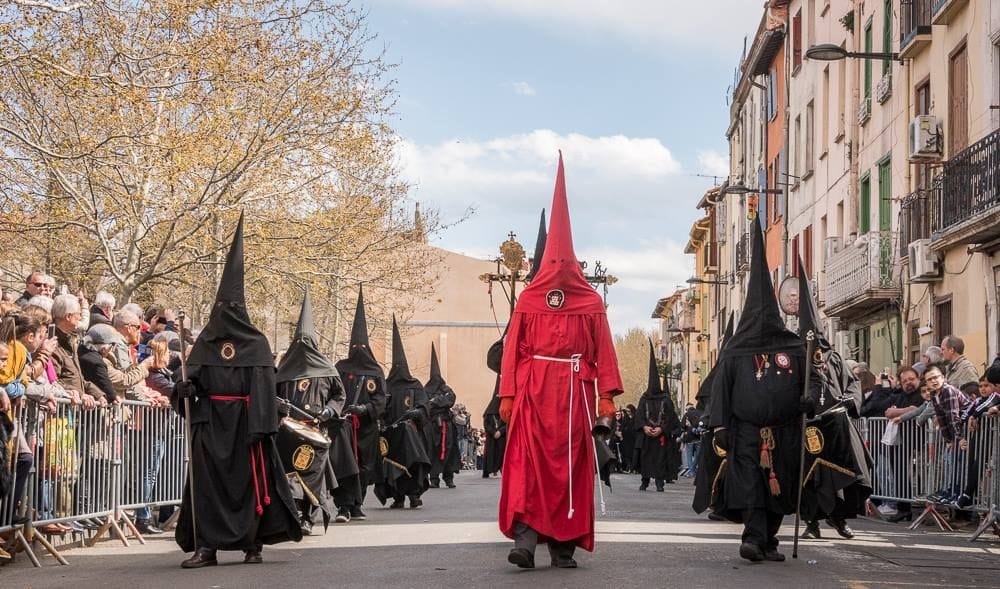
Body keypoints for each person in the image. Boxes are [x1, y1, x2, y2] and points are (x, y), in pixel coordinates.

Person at [498, 155, 622, 570]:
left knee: (569, 471)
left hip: (573, 396)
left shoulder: (590, 302)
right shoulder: (529, 300)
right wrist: (508, 395)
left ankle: (563, 546)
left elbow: (604, 350)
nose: (556, 270)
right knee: (527, 465)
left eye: (561, 262)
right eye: (551, 262)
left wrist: (606, 396)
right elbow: (512, 350)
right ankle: (526, 540)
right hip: (534, 394)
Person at [173, 214, 301, 568]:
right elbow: (190, 383)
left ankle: (252, 543)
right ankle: (207, 547)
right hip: (211, 427)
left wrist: (260, 428)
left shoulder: (257, 345)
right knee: (207, 487)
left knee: (250, 486)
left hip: (246, 428)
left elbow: (263, 389)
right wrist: (182, 390)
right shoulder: (205, 343)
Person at [707, 220, 813, 563]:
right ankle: (752, 538)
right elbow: (721, 390)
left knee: (780, 485)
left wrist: (810, 400)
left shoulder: (795, 349)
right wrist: (720, 426)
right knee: (752, 484)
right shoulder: (736, 352)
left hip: (786, 432)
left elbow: (813, 382)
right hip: (746, 432)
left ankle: (770, 539)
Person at [794, 258, 871, 541]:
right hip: (811, 426)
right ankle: (812, 522)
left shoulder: (834, 358)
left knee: (846, 475)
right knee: (812, 479)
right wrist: (800, 404)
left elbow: (853, 385)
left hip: (838, 425)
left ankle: (840, 520)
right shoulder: (795, 360)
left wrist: (851, 402)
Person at [275, 290, 346, 531]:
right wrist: (279, 405)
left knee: (312, 475)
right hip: (289, 430)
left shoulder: (327, 369)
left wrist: (329, 411)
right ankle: (293, 513)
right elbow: (271, 395)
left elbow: (339, 395)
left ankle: (308, 516)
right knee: (290, 473)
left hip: (315, 430)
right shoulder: (284, 368)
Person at [332, 285, 386, 521]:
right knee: (344, 464)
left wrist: (364, 409)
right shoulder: (340, 368)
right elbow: (332, 392)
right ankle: (343, 505)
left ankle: (357, 503)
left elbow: (381, 398)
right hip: (344, 427)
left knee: (364, 466)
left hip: (366, 428)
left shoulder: (375, 371)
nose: (358, 350)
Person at [374, 316, 431, 509]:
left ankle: (414, 496)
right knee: (392, 466)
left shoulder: (415, 385)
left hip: (412, 434)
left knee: (413, 465)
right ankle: (398, 497)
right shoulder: (387, 386)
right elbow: (380, 407)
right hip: (392, 434)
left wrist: (417, 412)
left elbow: (425, 405)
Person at [634, 340, 681, 491]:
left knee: (660, 459)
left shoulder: (665, 400)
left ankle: (659, 483)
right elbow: (639, 415)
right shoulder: (644, 398)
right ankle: (645, 481)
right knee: (646, 458)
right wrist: (644, 426)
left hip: (661, 436)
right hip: (647, 436)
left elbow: (671, 417)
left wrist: (662, 428)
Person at [924, 365, 972, 506]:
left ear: (943, 377)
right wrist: (948, 440)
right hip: (956, 433)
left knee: (960, 463)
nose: (933, 381)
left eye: (936, 377)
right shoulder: (934, 395)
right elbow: (941, 418)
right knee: (949, 461)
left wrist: (959, 438)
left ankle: (958, 493)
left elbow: (953, 416)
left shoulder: (948, 391)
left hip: (966, 430)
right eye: (929, 379)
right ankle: (950, 491)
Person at [424, 344, 460, 489]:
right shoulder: (426, 390)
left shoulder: (446, 389)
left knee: (449, 450)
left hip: (446, 426)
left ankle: (448, 477)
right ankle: (434, 478)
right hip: (432, 426)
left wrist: (437, 401)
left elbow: (450, 399)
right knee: (433, 451)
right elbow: (426, 404)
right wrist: (438, 402)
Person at [482, 335, 507, 479]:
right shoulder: (491, 411)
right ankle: (491, 469)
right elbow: (486, 422)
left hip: (502, 435)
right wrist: (493, 431)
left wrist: (501, 431)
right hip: (493, 436)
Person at [681, 403, 704, 478]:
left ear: (688, 408)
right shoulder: (700, 413)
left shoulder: (687, 414)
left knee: (689, 456)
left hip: (689, 438)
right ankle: (693, 470)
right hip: (698, 437)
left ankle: (691, 472)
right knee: (697, 456)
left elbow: (682, 426)